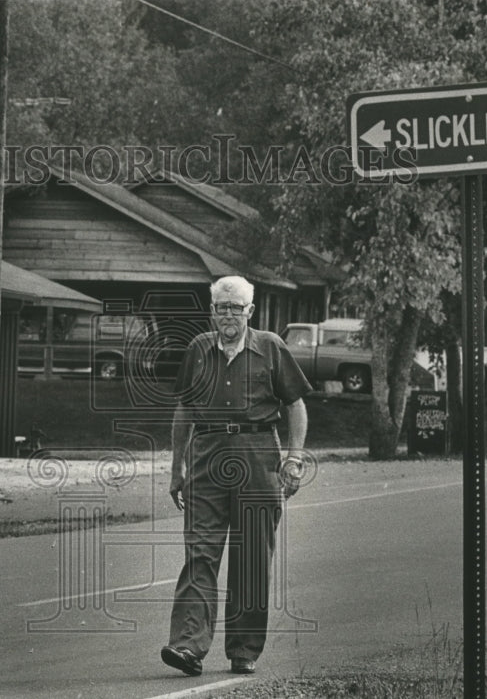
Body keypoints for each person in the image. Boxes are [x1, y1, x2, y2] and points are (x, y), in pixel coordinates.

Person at [160, 275, 311, 677]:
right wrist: (177, 468)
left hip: (258, 456)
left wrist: (294, 459)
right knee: (200, 554)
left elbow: (295, 405)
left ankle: (243, 650)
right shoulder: (198, 349)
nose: (228, 315)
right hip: (206, 456)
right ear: (213, 311)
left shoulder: (271, 348)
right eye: (221, 307)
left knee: (251, 560)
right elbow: (185, 412)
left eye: (236, 308)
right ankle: (187, 646)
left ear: (250, 311)